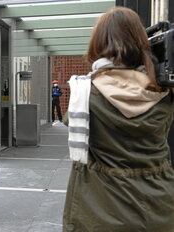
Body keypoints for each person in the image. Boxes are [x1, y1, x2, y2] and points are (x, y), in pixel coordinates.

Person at [63, 7, 174, 232]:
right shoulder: (165, 92)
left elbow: (68, 121)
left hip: (98, 210)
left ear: (98, 43)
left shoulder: (85, 92)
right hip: (158, 206)